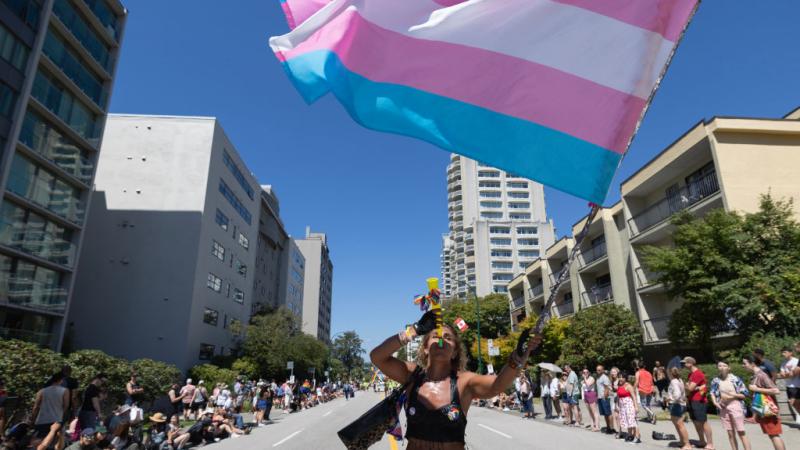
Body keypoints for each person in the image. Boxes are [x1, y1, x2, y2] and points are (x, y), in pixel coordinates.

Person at [370, 309, 542, 449]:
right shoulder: (412, 375)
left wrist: (518, 357)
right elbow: (377, 357)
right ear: (425, 349)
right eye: (436, 336)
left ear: (454, 352)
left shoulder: (464, 381)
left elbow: (496, 386)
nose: (441, 340)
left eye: (448, 338)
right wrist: (414, 330)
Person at [743, 356, 785, 450]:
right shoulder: (756, 375)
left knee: (774, 435)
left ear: (752, 364)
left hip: (768, 409)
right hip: (763, 410)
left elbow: (776, 390)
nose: (743, 366)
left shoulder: (761, 375)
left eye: (745, 363)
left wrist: (757, 389)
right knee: (772, 435)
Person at [710, 361, 751, 450]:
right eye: (719, 366)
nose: (722, 367)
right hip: (723, 408)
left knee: (741, 432)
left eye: (724, 366)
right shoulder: (715, 380)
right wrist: (715, 402)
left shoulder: (735, 379)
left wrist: (733, 395)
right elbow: (712, 392)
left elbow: (745, 394)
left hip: (735, 406)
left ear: (729, 368)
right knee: (730, 433)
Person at [683, 356, 714, 450]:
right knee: (696, 422)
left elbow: (690, 388)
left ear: (690, 363)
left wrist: (688, 386)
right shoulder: (690, 375)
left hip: (699, 401)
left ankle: (710, 444)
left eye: (685, 363)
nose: (684, 365)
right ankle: (702, 441)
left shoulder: (697, 374)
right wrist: (690, 387)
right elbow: (688, 390)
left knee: (703, 422)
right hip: (692, 400)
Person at [31, 372, 69, 440]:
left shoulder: (41, 391)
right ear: (61, 380)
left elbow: (36, 407)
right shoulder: (65, 391)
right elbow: (66, 406)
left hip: (41, 421)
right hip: (56, 421)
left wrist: (33, 420)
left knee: (39, 442)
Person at [667, 367, 690, 450]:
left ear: (670, 374)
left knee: (680, 425)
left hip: (677, 404)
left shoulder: (673, 381)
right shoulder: (680, 380)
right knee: (677, 424)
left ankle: (687, 444)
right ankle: (682, 441)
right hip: (681, 404)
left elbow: (677, 394)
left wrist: (670, 399)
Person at [616, 371, 640, 444]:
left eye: (622, 377)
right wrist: (617, 405)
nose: (621, 378)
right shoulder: (619, 386)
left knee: (633, 421)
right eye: (619, 377)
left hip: (629, 405)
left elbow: (634, 396)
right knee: (627, 421)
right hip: (622, 406)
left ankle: (637, 437)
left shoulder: (628, 386)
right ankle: (630, 435)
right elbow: (618, 397)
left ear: (625, 378)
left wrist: (636, 407)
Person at [777, 346, 799, 425]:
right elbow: (783, 374)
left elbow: (793, 374)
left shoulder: (796, 361)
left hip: (797, 384)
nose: (783, 354)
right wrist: (788, 374)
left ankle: (798, 416)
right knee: (792, 402)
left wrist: (788, 374)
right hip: (789, 385)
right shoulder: (783, 363)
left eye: (785, 352)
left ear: (790, 353)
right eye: (782, 352)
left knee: (794, 402)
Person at [595, 365, 613, 434]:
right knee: (605, 414)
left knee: (608, 413)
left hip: (604, 398)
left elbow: (606, 388)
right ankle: (608, 426)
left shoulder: (604, 378)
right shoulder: (598, 378)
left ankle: (611, 428)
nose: (598, 371)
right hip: (600, 397)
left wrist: (604, 397)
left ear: (603, 370)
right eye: (597, 370)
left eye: (599, 370)